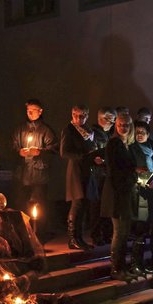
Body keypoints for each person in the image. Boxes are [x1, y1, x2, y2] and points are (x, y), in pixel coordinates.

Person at [101, 114, 146, 281]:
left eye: (127, 125)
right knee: (120, 232)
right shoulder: (114, 143)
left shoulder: (126, 144)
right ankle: (116, 269)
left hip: (125, 193)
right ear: (116, 126)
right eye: (120, 125)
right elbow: (114, 169)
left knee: (124, 232)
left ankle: (122, 267)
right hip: (117, 193)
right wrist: (134, 171)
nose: (123, 128)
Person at [12, 99, 58, 234]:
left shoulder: (46, 130)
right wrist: (19, 152)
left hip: (39, 176)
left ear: (40, 111)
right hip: (22, 174)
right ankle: (23, 232)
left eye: (33, 110)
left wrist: (39, 152)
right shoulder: (20, 129)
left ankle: (39, 232)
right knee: (22, 204)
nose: (30, 113)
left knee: (38, 205)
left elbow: (54, 149)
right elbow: (12, 146)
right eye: (28, 111)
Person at [60, 104, 99, 250]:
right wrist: (84, 156)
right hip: (76, 170)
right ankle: (72, 238)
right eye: (75, 115)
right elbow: (64, 152)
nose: (78, 118)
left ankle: (79, 238)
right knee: (77, 203)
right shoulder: (69, 130)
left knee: (83, 204)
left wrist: (94, 157)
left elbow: (91, 148)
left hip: (86, 170)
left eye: (82, 116)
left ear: (87, 116)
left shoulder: (88, 131)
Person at [130, 120, 153, 272]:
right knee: (141, 226)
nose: (139, 135)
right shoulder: (131, 148)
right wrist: (137, 170)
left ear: (148, 134)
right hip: (139, 190)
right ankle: (136, 262)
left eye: (143, 132)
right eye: (137, 132)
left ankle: (152, 260)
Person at [89, 107, 116, 246]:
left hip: (108, 174)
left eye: (113, 119)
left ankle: (107, 233)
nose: (112, 122)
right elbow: (92, 154)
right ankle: (96, 234)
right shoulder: (93, 134)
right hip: (98, 175)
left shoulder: (111, 134)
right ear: (101, 119)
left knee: (107, 205)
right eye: (110, 119)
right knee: (97, 206)